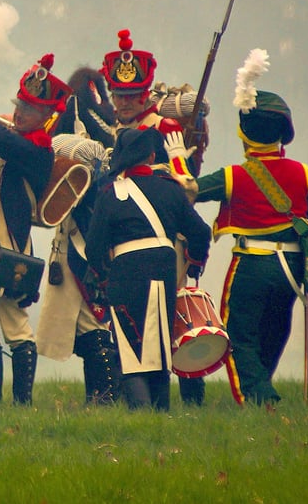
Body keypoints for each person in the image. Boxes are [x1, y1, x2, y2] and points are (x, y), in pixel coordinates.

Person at [194, 67, 308, 405]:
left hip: (252, 264)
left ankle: (259, 395)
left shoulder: (234, 175)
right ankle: (263, 390)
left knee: (238, 333)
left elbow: (190, 190)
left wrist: (182, 158)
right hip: (292, 267)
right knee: (275, 329)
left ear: (245, 133)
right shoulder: (303, 172)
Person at [98, 29, 209, 405]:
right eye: (119, 95)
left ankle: (192, 395)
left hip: (166, 237)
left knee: (175, 319)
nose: (125, 103)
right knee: (129, 323)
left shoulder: (165, 129)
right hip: (123, 240)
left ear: (145, 95)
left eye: (132, 96)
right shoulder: (113, 130)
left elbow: (187, 186)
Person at [0, 54, 71, 406]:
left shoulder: (37, 150)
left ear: (46, 117)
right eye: (20, 103)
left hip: (5, 246)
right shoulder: (8, 138)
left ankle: (22, 403)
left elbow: (6, 143)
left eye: (31, 108)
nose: (21, 111)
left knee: (15, 327)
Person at [86, 128, 211, 411]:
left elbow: (93, 249)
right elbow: (200, 232)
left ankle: (142, 416)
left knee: (131, 351)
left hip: (125, 273)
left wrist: (104, 277)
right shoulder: (170, 189)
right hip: (164, 271)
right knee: (160, 350)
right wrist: (195, 261)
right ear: (153, 156)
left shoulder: (109, 193)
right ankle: (159, 415)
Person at [37, 66, 121, 404]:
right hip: (92, 226)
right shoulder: (109, 120)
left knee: (91, 321)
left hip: (81, 230)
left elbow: (58, 158)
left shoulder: (75, 113)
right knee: (87, 321)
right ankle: (103, 394)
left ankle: (107, 394)